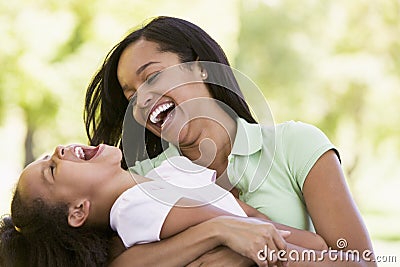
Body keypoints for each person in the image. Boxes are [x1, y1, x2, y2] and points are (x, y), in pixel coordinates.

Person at [84, 16, 376, 266]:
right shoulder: (144, 179)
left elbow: (360, 261)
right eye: (130, 95)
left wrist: (251, 251)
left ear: (200, 67)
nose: (143, 99)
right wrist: (217, 232)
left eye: (153, 76)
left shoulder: (295, 144)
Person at [0, 144, 328, 267]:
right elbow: (261, 233)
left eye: (48, 156)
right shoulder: (137, 208)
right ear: (78, 211)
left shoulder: (170, 172)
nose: (58, 150)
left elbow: (250, 220)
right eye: (52, 170)